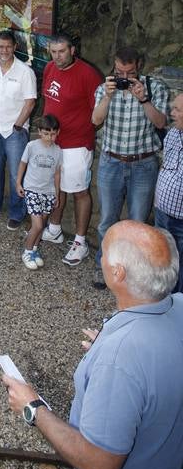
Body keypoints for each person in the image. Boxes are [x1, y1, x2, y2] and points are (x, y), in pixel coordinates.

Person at [2, 221, 183, 469]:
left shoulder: (120, 358)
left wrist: (33, 407)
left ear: (117, 273)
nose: (100, 258)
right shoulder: (178, 305)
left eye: (105, 252)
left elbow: (100, 466)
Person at [91, 45, 168, 289]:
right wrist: (107, 97)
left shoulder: (154, 87)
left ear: (139, 67)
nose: (124, 77)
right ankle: (104, 267)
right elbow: (95, 120)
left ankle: (134, 274)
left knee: (138, 222)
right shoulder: (105, 88)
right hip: (111, 161)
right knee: (107, 221)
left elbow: (162, 122)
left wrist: (143, 98)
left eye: (130, 72)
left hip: (143, 164)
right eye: (120, 71)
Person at [42, 34, 103, 266]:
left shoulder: (88, 75)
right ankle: (55, 229)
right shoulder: (49, 68)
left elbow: (98, 115)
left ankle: (80, 242)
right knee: (57, 188)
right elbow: (48, 100)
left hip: (77, 144)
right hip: (52, 141)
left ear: (73, 50)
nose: (57, 57)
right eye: (53, 52)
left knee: (79, 191)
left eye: (62, 52)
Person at [0, 30, 37, 228]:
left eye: (8, 46)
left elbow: (30, 102)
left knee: (16, 175)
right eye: (0, 46)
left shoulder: (24, 72)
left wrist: (18, 126)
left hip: (15, 132)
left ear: (15, 47)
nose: (4, 50)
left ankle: (17, 212)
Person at [16, 115, 62, 270]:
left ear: (58, 132)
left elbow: (56, 174)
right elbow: (23, 164)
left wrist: (57, 194)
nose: (50, 137)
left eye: (53, 134)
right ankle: (27, 251)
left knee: (42, 226)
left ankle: (34, 250)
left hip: (48, 192)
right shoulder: (32, 146)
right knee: (37, 225)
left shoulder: (58, 151)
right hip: (32, 190)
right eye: (46, 133)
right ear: (40, 132)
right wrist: (18, 183)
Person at [154, 93, 183, 293]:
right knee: (162, 260)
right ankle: (163, 301)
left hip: (181, 220)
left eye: (177, 110)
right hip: (162, 213)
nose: (171, 113)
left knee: (180, 266)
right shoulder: (173, 134)